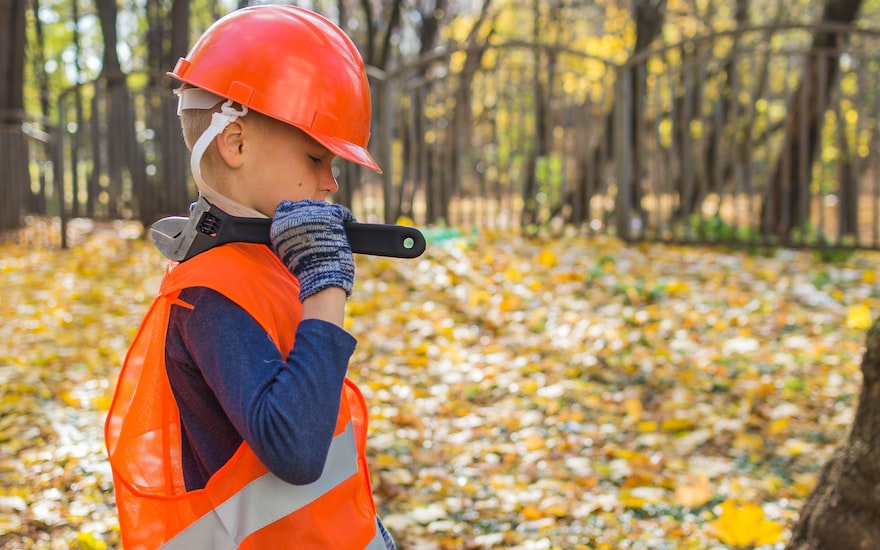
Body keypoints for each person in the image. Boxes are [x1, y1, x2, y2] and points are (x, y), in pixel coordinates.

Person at [104, 5, 395, 549]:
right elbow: (296, 448)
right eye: (316, 157)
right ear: (234, 142)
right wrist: (326, 282)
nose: (330, 183)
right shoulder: (209, 294)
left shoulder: (260, 264)